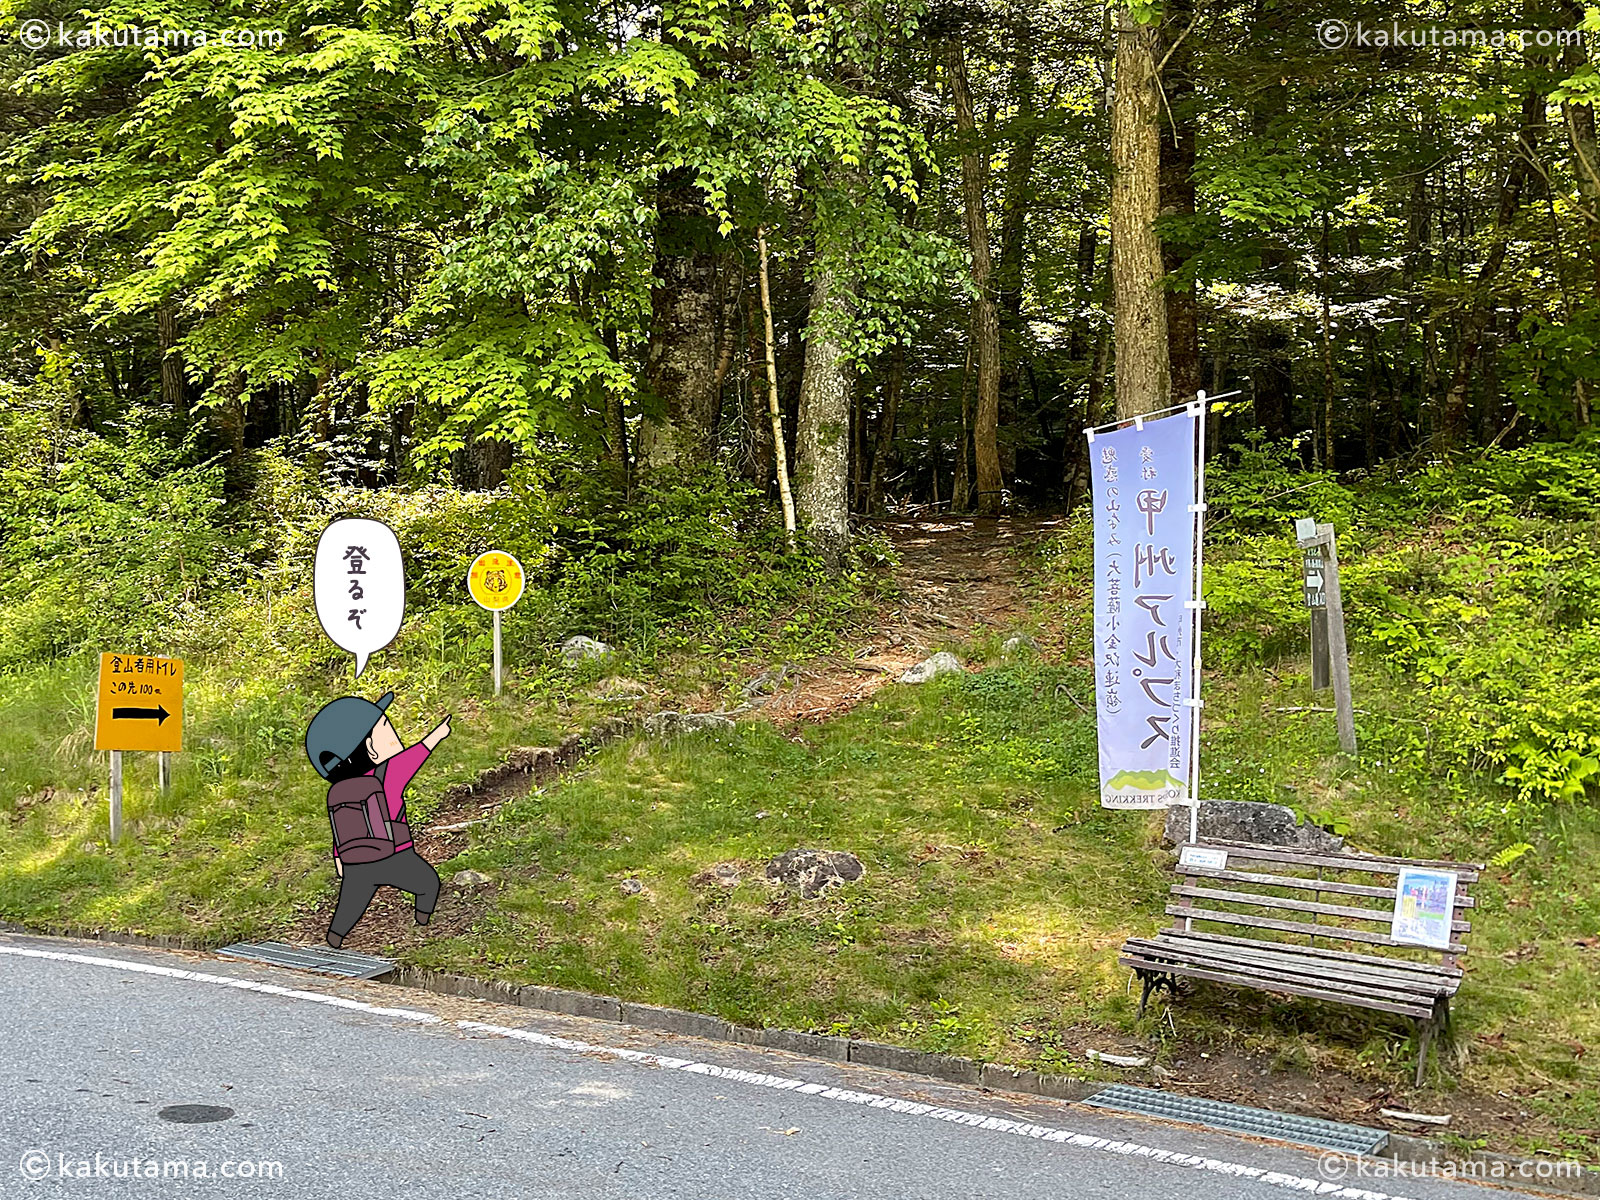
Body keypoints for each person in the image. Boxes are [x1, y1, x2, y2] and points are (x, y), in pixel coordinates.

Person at [304, 692, 450, 949]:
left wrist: (339, 858)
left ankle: (334, 938)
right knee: (428, 884)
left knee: (349, 906)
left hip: (355, 864)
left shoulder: (336, 791)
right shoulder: (388, 773)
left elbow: (341, 828)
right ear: (370, 748)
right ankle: (423, 925)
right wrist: (438, 734)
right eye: (386, 727)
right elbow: (417, 755)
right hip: (395, 856)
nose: (393, 732)